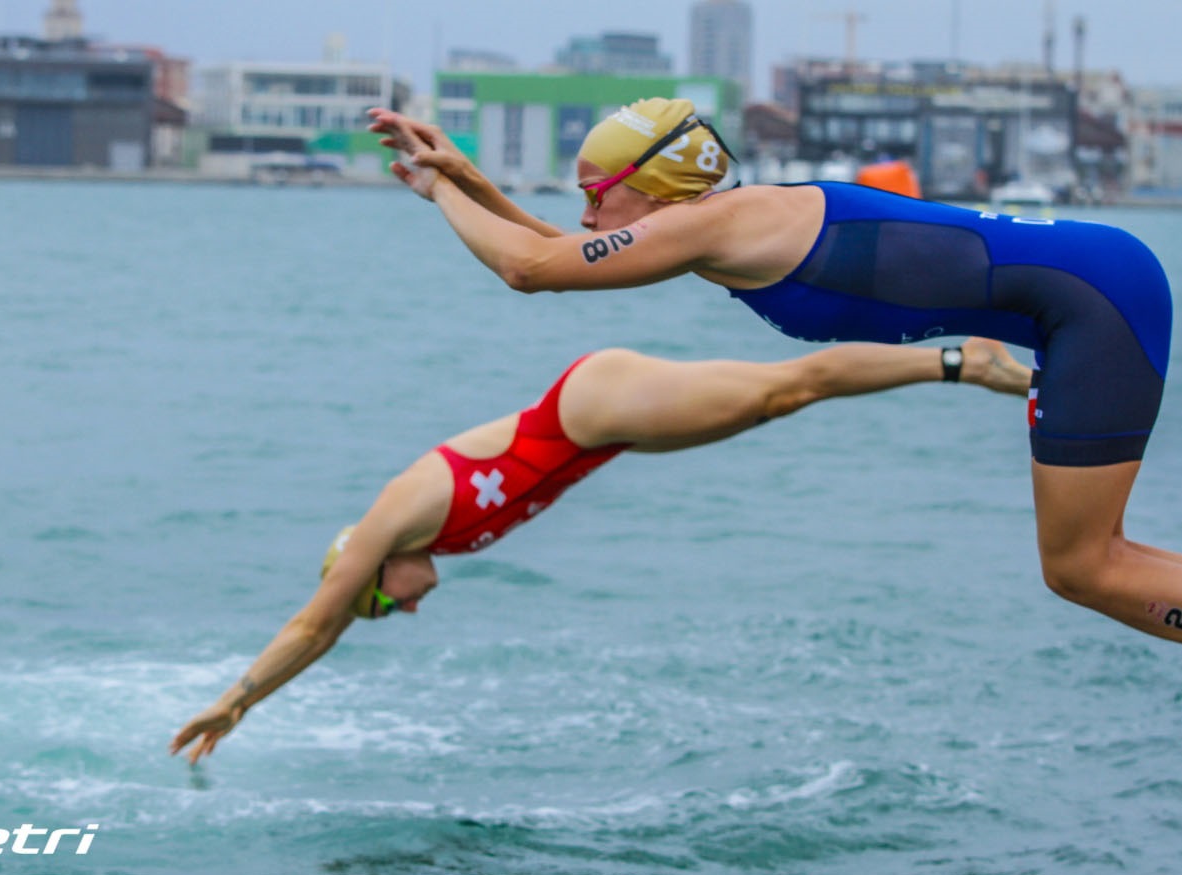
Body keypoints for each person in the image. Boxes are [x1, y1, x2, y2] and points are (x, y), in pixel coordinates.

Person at [367, 98, 1180, 644]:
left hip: (1090, 301)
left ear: (647, 186)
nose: (584, 216)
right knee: (1086, 563)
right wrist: (469, 178)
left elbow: (531, 269)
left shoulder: (721, 224)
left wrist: (441, 192)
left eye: (594, 195)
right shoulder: (718, 228)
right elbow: (560, 253)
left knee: (1082, 566)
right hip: (1087, 294)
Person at [169, 338, 1031, 764]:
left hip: (589, 406)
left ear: (364, 570)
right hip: (605, 433)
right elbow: (328, 627)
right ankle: (957, 362)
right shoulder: (430, 541)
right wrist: (247, 709)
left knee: (782, 389)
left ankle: (962, 360)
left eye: (389, 601)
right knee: (781, 398)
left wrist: (231, 700)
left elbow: (316, 624)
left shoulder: (385, 520)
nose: (408, 606)